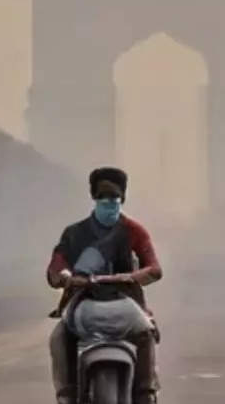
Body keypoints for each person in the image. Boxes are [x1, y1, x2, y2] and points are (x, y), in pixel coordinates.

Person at [47, 167, 163, 404]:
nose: (108, 203)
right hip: (83, 304)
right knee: (60, 336)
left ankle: (145, 394)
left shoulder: (134, 232)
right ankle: (67, 395)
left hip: (127, 304)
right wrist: (65, 277)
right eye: (102, 198)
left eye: (114, 198)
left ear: (122, 199)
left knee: (146, 334)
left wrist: (130, 277)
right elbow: (55, 267)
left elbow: (154, 269)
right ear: (94, 198)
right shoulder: (75, 233)